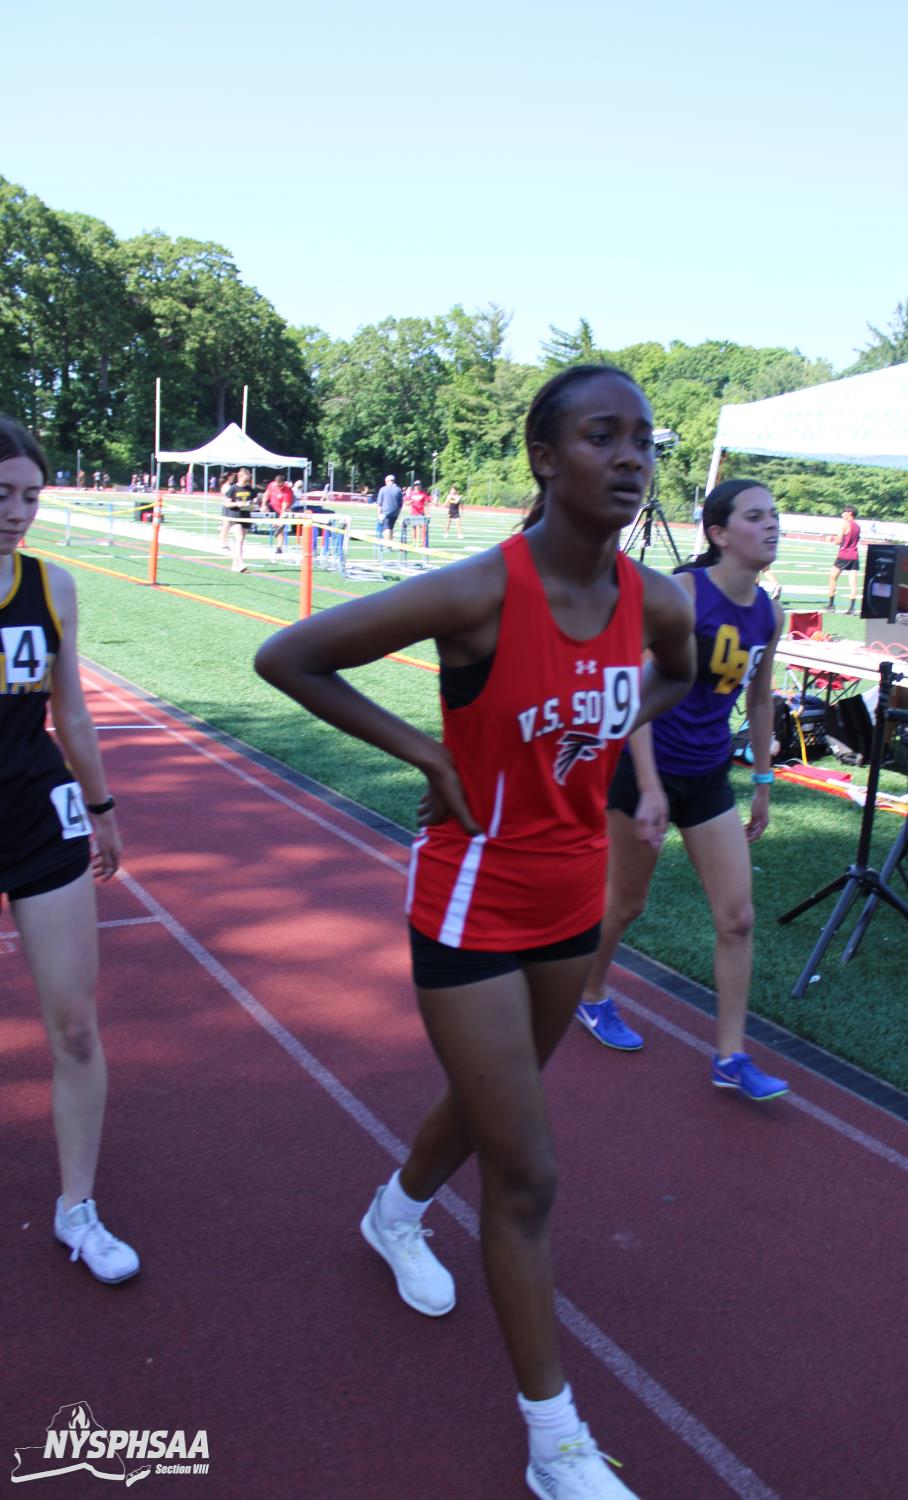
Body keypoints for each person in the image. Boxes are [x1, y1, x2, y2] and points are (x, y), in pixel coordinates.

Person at [255, 365, 695, 1498]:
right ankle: (557, 1446)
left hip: (573, 898)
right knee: (528, 1170)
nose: (630, 456)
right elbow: (288, 657)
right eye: (602, 436)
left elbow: (678, 677)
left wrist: (605, 733)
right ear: (545, 457)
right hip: (471, 898)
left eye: (644, 439)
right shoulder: (481, 592)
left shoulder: (657, 603)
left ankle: (394, 1211)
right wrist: (426, 752)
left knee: (494, 1100)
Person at [576, 480, 789, 1101]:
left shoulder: (769, 613)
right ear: (719, 533)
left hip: (708, 775)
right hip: (644, 767)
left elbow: (759, 699)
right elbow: (634, 686)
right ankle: (590, 993)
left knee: (738, 918)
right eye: (756, 516)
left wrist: (763, 782)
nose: (771, 526)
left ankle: (731, 1057)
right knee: (626, 904)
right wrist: (647, 786)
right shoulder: (684, 593)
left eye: (774, 516)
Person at [0, 417, 139, 1284]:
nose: (16, 513)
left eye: (29, 497)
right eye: (1, 495)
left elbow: (72, 710)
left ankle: (77, 1211)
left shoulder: (51, 586)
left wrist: (102, 807)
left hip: (38, 812)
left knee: (76, 1024)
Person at [221, 466, 259, 572]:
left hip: (246, 516)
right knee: (239, 539)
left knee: (240, 542)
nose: (247, 480)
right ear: (240, 477)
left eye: (248, 479)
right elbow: (226, 503)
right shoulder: (233, 488)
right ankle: (241, 563)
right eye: (246, 478)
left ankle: (235, 564)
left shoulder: (250, 489)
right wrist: (238, 503)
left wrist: (253, 505)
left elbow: (255, 503)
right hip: (234, 516)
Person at [827, 506, 861, 614]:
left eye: (844, 512)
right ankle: (852, 608)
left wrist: (831, 539)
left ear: (849, 513)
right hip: (854, 555)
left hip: (843, 555)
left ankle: (831, 605)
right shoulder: (858, 526)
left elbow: (838, 541)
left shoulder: (845, 524)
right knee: (853, 583)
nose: (842, 514)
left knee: (833, 578)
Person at [263, 472, 294, 556]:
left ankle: (279, 547)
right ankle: (274, 523)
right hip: (272, 507)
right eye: (277, 485)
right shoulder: (271, 485)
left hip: (282, 510)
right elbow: (266, 494)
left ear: (283, 483)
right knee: (264, 508)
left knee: (280, 529)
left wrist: (280, 519)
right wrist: (263, 504)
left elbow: (284, 507)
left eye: (280, 486)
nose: (278, 487)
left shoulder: (287, 491)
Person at [375, 473, 403, 543]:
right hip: (395, 512)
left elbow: (379, 504)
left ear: (387, 481)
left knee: (386, 528)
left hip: (386, 512)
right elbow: (400, 504)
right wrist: (398, 514)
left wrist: (379, 514)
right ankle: (390, 543)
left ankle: (387, 544)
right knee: (391, 527)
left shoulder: (383, 489)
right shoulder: (398, 490)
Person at [407, 479, 431, 547]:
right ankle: (414, 541)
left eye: (418, 485)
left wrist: (428, 513)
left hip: (421, 512)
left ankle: (418, 541)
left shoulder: (423, 493)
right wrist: (410, 502)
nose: (416, 486)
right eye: (415, 485)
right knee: (413, 527)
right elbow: (406, 502)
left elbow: (426, 504)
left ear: (420, 486)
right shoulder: (411, 493)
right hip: (413, 512)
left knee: (419, 527)